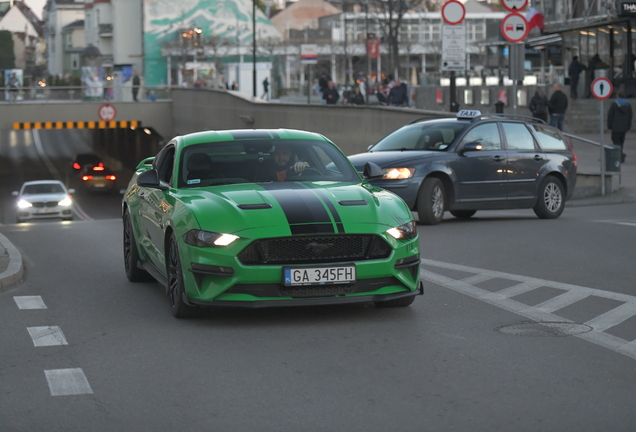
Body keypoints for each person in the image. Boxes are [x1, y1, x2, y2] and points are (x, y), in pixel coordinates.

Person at [607, 89, 632, 163]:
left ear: (618, 95)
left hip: (615, 126)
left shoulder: (614, 104)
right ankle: (620, 154)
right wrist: (628, 126)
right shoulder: (628, 105)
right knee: (621, 141)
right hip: (624, 127)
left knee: (616, 141)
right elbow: (630, 116)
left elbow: (610, 115)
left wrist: (609, 126)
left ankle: (620, 155)